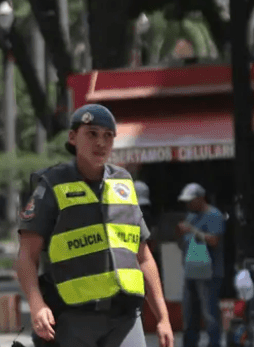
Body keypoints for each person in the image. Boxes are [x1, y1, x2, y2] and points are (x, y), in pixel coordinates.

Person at [14, 103, 175, 347]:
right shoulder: (51, 184)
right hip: (73, 321)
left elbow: (143, 257)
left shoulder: (123, 184)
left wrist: (163, 318)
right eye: (92, 134)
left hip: (125, 318)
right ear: (72, 137)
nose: (101, 143)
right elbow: (27, 255)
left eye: (108, 136)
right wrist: (37, 305)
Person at [175, 183, 226, 347]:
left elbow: (214, 241)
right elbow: (185, 242)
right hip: (191, 271)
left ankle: (214, 343)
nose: (188, 204)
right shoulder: (191, 215)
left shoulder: (214, 215)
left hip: (209, 273)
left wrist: (192, 230)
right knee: (189, 313)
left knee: (209, 313)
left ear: (200, 198)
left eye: (191, 201)